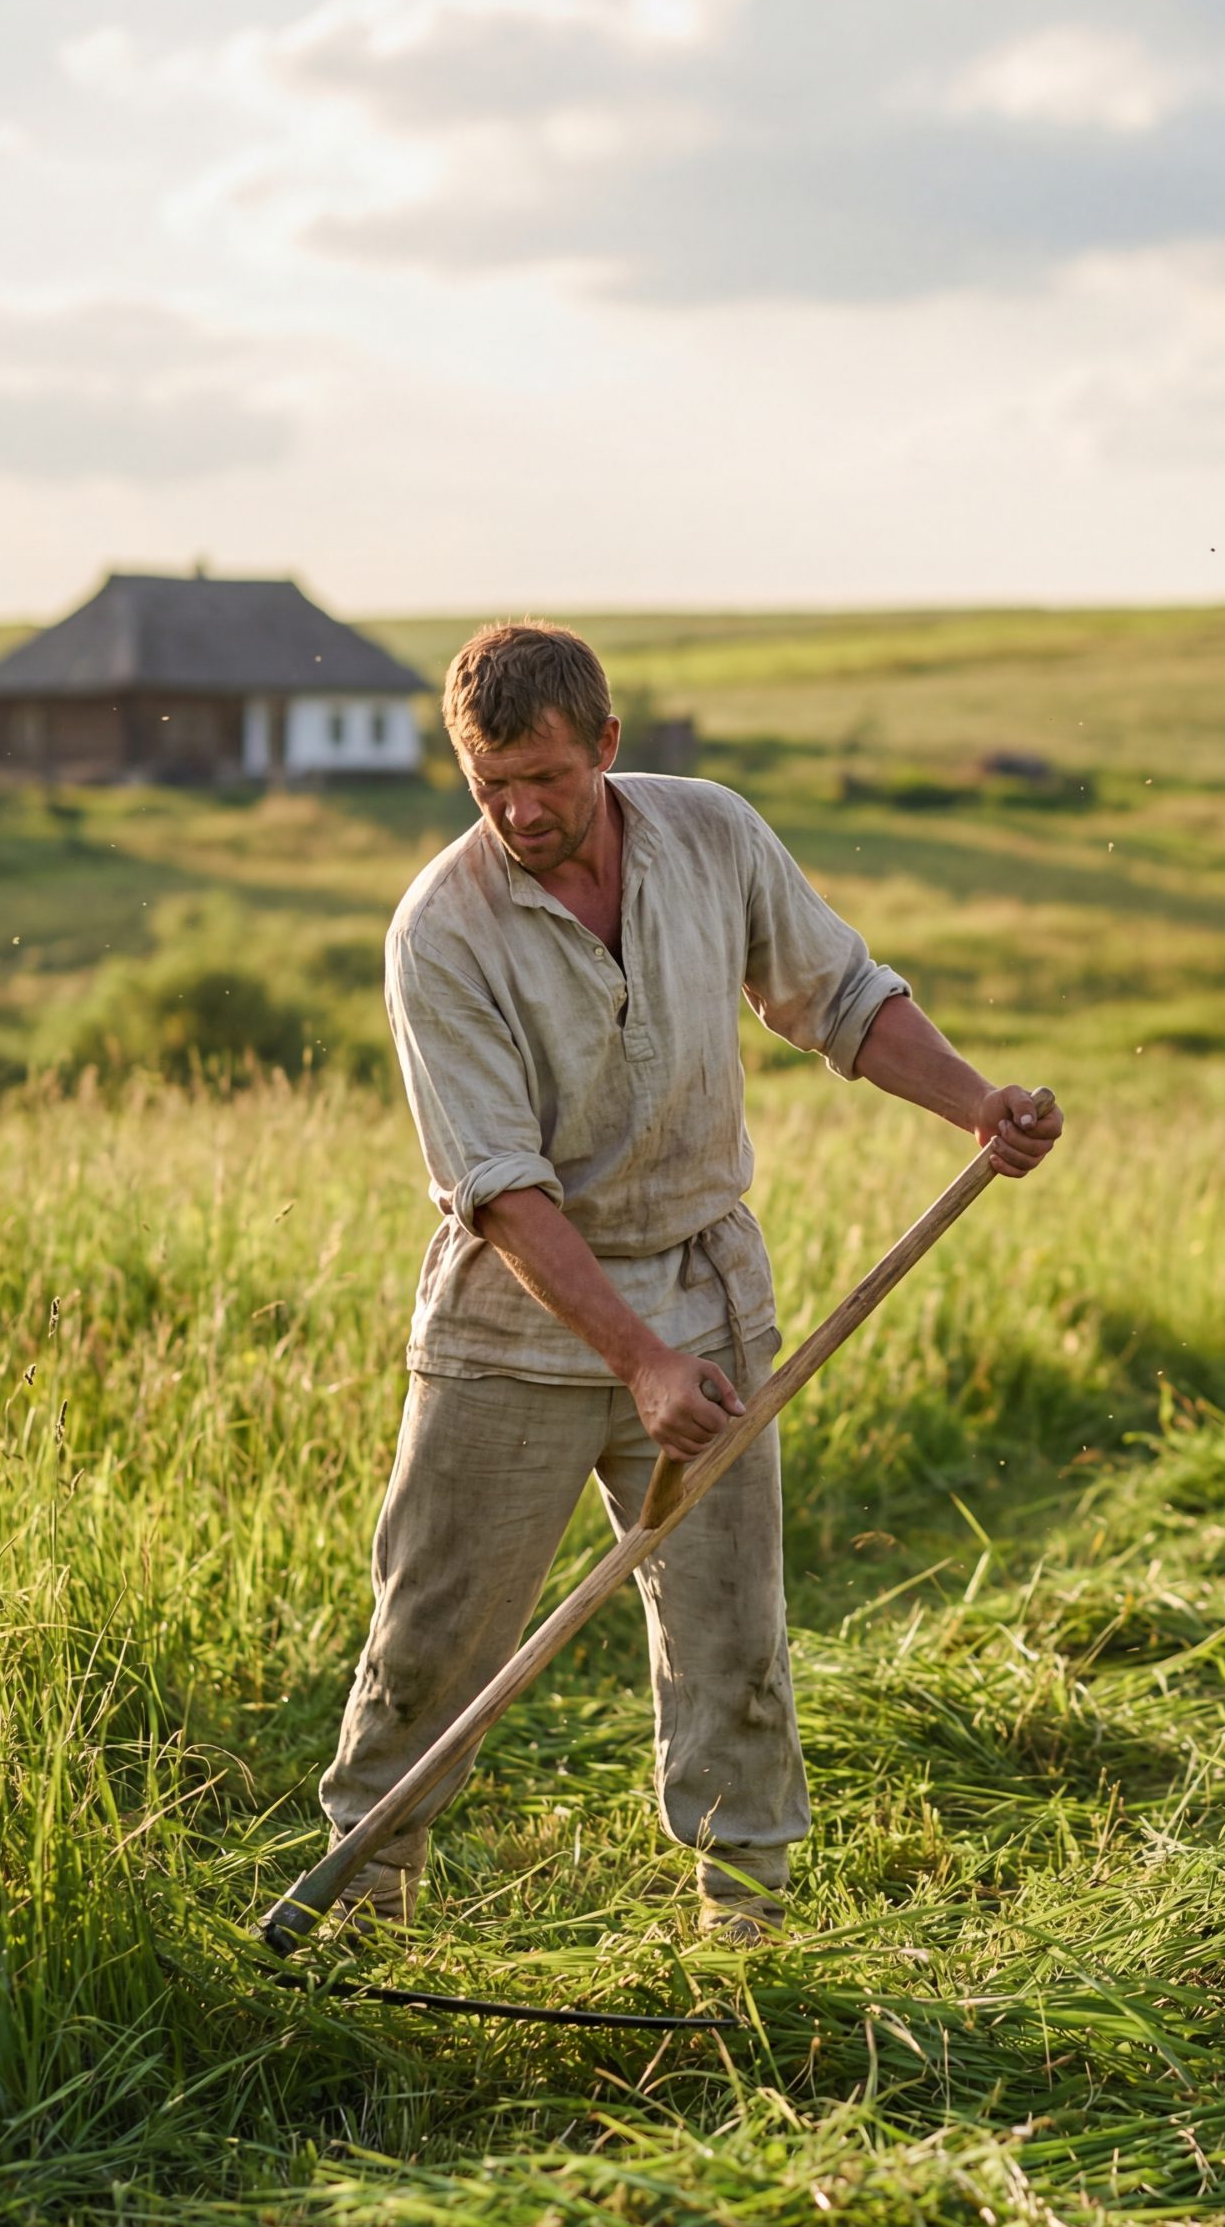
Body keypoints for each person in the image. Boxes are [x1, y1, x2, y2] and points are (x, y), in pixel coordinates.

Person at [320, 620, 1063, 1942]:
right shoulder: (441, 929)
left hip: (708, 1290)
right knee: (434, 1633)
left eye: (546, 776)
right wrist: (637, 1362)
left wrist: (973, 1105)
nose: (521, 810)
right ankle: (361, 1905)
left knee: (732, 1627)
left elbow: (837, 997)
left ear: (607, 745)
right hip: (518, 1323)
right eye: (491, 783)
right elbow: (499, 1190)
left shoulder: (710, 834)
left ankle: (746, 1924)